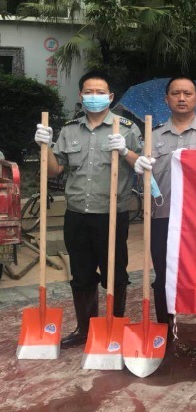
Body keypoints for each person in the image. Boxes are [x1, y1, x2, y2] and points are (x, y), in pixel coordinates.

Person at [34, 71, 142, 349]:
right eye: (89, 92)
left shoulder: (126, 128)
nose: (94, 97)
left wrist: (126, 152)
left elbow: (144, 166)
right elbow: (54, 170)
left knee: (115, 274)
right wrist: (44, 147)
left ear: (110, 96)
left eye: (100, 92)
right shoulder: (69, 129)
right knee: (81, 275)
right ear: (81, 95)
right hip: (77, 215)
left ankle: (114, 326)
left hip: (111, 215)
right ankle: (85, 328)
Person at [134, 76, 196, 360]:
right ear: (167, 99)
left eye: (187, 93)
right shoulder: (153, 134)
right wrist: (139, 167)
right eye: (175, 93)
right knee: (163, 277)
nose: (181, 98)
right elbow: (144, 182)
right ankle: (164, 333)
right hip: (162, 217)